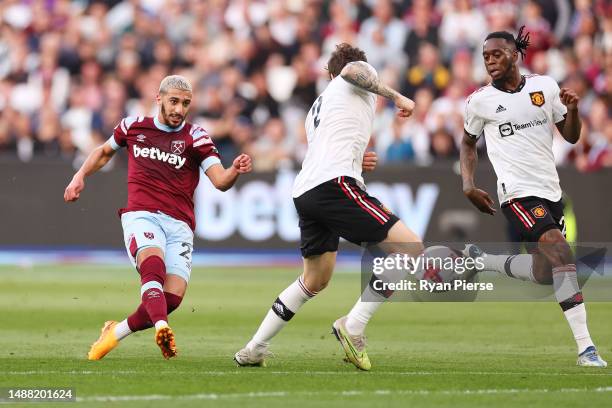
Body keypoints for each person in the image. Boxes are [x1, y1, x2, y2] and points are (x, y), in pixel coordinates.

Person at [234, 43, 424, 371]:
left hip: (307, 191)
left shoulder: (316, 110)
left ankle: (254, 348)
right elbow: (354, 72)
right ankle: (354, 326)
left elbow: (328, 146)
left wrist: (357, 158)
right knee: (411, 248)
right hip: (334, 184)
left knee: (314, 280)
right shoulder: (353, 75)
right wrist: (398, 97)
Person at [64, 75, 252, 360]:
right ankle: (162, 327)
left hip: (180, 225)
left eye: (185, 103)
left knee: (172, 299)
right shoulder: (133, 126)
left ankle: (115, 333)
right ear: (159, 99)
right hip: (142, 215)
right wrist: (79, 176)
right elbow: (103, 152)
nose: (179, 109)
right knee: (153, 265)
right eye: (174, 101)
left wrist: (235, 170)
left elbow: (220, 181)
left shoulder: (196, 136)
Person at [460, 27, 606, 367]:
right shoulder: (479, 101)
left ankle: (482, 261)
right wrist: (468, 184)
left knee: (544, 272)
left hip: (549, 190)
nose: (490, 61)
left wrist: (573, 111)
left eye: (496, 54)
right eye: (485, 57)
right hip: (516, 193)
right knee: (560, 249)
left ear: (514, 54)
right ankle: (586, 348)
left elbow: (570, 137)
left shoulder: (545, 87)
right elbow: (468, 143)